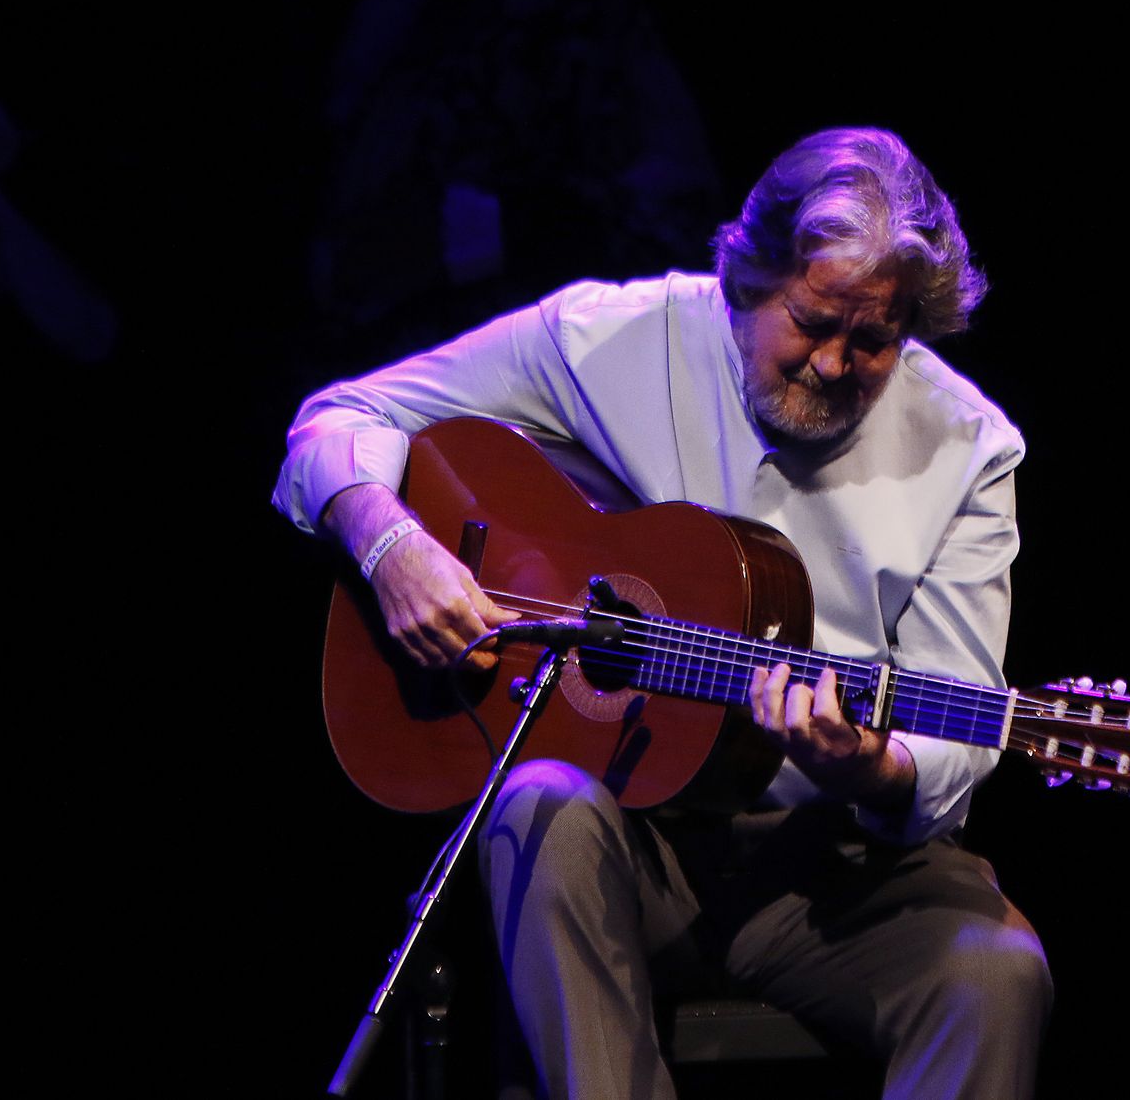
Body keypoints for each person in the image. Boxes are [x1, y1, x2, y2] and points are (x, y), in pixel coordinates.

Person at [275, 126, 1052, 1098]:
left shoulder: (971, 447)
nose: (833, 363)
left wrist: (870, 762)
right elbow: (334, 423)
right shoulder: (604, 339)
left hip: (830, 868)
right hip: (626, 850)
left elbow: (961, 720)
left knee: (995, 969)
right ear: (748, 279)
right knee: (534, 806)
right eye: (812, 320)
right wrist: (393, 546)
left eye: (875, 341)